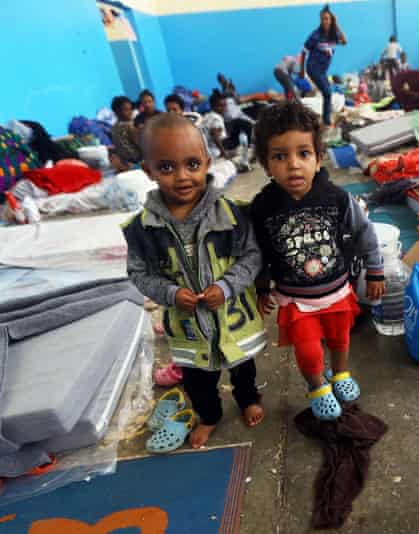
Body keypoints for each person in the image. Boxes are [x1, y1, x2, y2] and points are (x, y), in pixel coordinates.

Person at [122, 113, 266, 448]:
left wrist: (227, 286)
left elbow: (252, 256)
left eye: (192, 164)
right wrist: (170, 293)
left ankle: (248, 399)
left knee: (243, 366)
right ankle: (210, 416)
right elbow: (138, 273)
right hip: (188, 325)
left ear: (207, 161)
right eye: (167, 168)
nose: (183, 177)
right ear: (149, 171)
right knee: (198, 379)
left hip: (232, 318)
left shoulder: (232, 213)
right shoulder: (141, 229)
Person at [249, 102, 384, 421]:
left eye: (303, 153)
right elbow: (257, 251)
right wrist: (261, 287)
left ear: (319, 157)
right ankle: (316, 386)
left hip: (337, 291)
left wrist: (375, 270)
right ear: (266, 164)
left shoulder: (337, 198)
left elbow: (365, 232)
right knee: (309, 351)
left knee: (340, 339)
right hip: (297, 300)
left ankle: (339, 374)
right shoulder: (263, 207)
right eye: (280, 156)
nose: (293, 165)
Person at [302, 5, 347, 127]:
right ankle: (326, 121)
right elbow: (303, 52)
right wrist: (302, 71)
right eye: (322, 19)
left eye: (327, 19)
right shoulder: (315, 35)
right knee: (327, 93)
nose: (324, 21)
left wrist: (337, 23)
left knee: (329, 92)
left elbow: (344, 41)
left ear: (331, 20)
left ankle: (325, 117)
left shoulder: (333, 34)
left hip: (322, 71)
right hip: (312, 68)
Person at [110, 96, 141, 170]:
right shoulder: (129, 126)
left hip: (126, 163)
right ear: (117, 112)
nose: (130, 112)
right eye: (126, 110)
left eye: (130, 109)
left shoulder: (114, 128)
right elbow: (140, 145)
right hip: (136, 163)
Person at [200, 92, 228, 159]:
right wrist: (224, 153)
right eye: (221, 106)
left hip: (204, 151)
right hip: (212, 152)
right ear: (213, 106)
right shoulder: (216, 118)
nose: (224, 108)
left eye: (225, 105)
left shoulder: (207, 116)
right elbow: (215, 137)